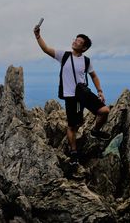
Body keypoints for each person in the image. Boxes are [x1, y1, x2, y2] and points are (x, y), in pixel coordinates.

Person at [33, 24, 110, 165]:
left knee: (104, 111)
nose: (75, 42)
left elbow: (93, 76)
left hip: (84, 93)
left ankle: (95, 131)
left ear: (84, 48)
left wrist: (99, 91)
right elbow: (46, 49)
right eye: (76, 39)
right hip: (71, 97)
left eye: (79, 42)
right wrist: (38, 36)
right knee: (73, 126)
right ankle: (74, 153)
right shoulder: (64, 56)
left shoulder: (86, 61)